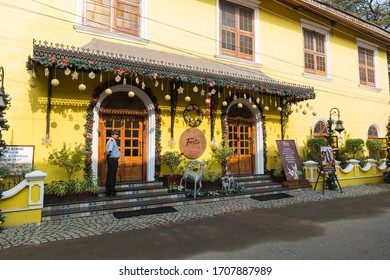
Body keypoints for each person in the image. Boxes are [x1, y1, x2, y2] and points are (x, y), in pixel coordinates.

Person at [105, 130, 120, 197]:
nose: (117, 135)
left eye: (117, 134)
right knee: (112, 177)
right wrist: (105, 159)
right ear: (112, 135)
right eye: (116, 134)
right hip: (113, 160)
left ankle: (108, 193)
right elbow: (109, 151)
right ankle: (112, 193)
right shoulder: (112, 142)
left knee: (110, 177)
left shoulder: (112, 141)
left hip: (112, 160)